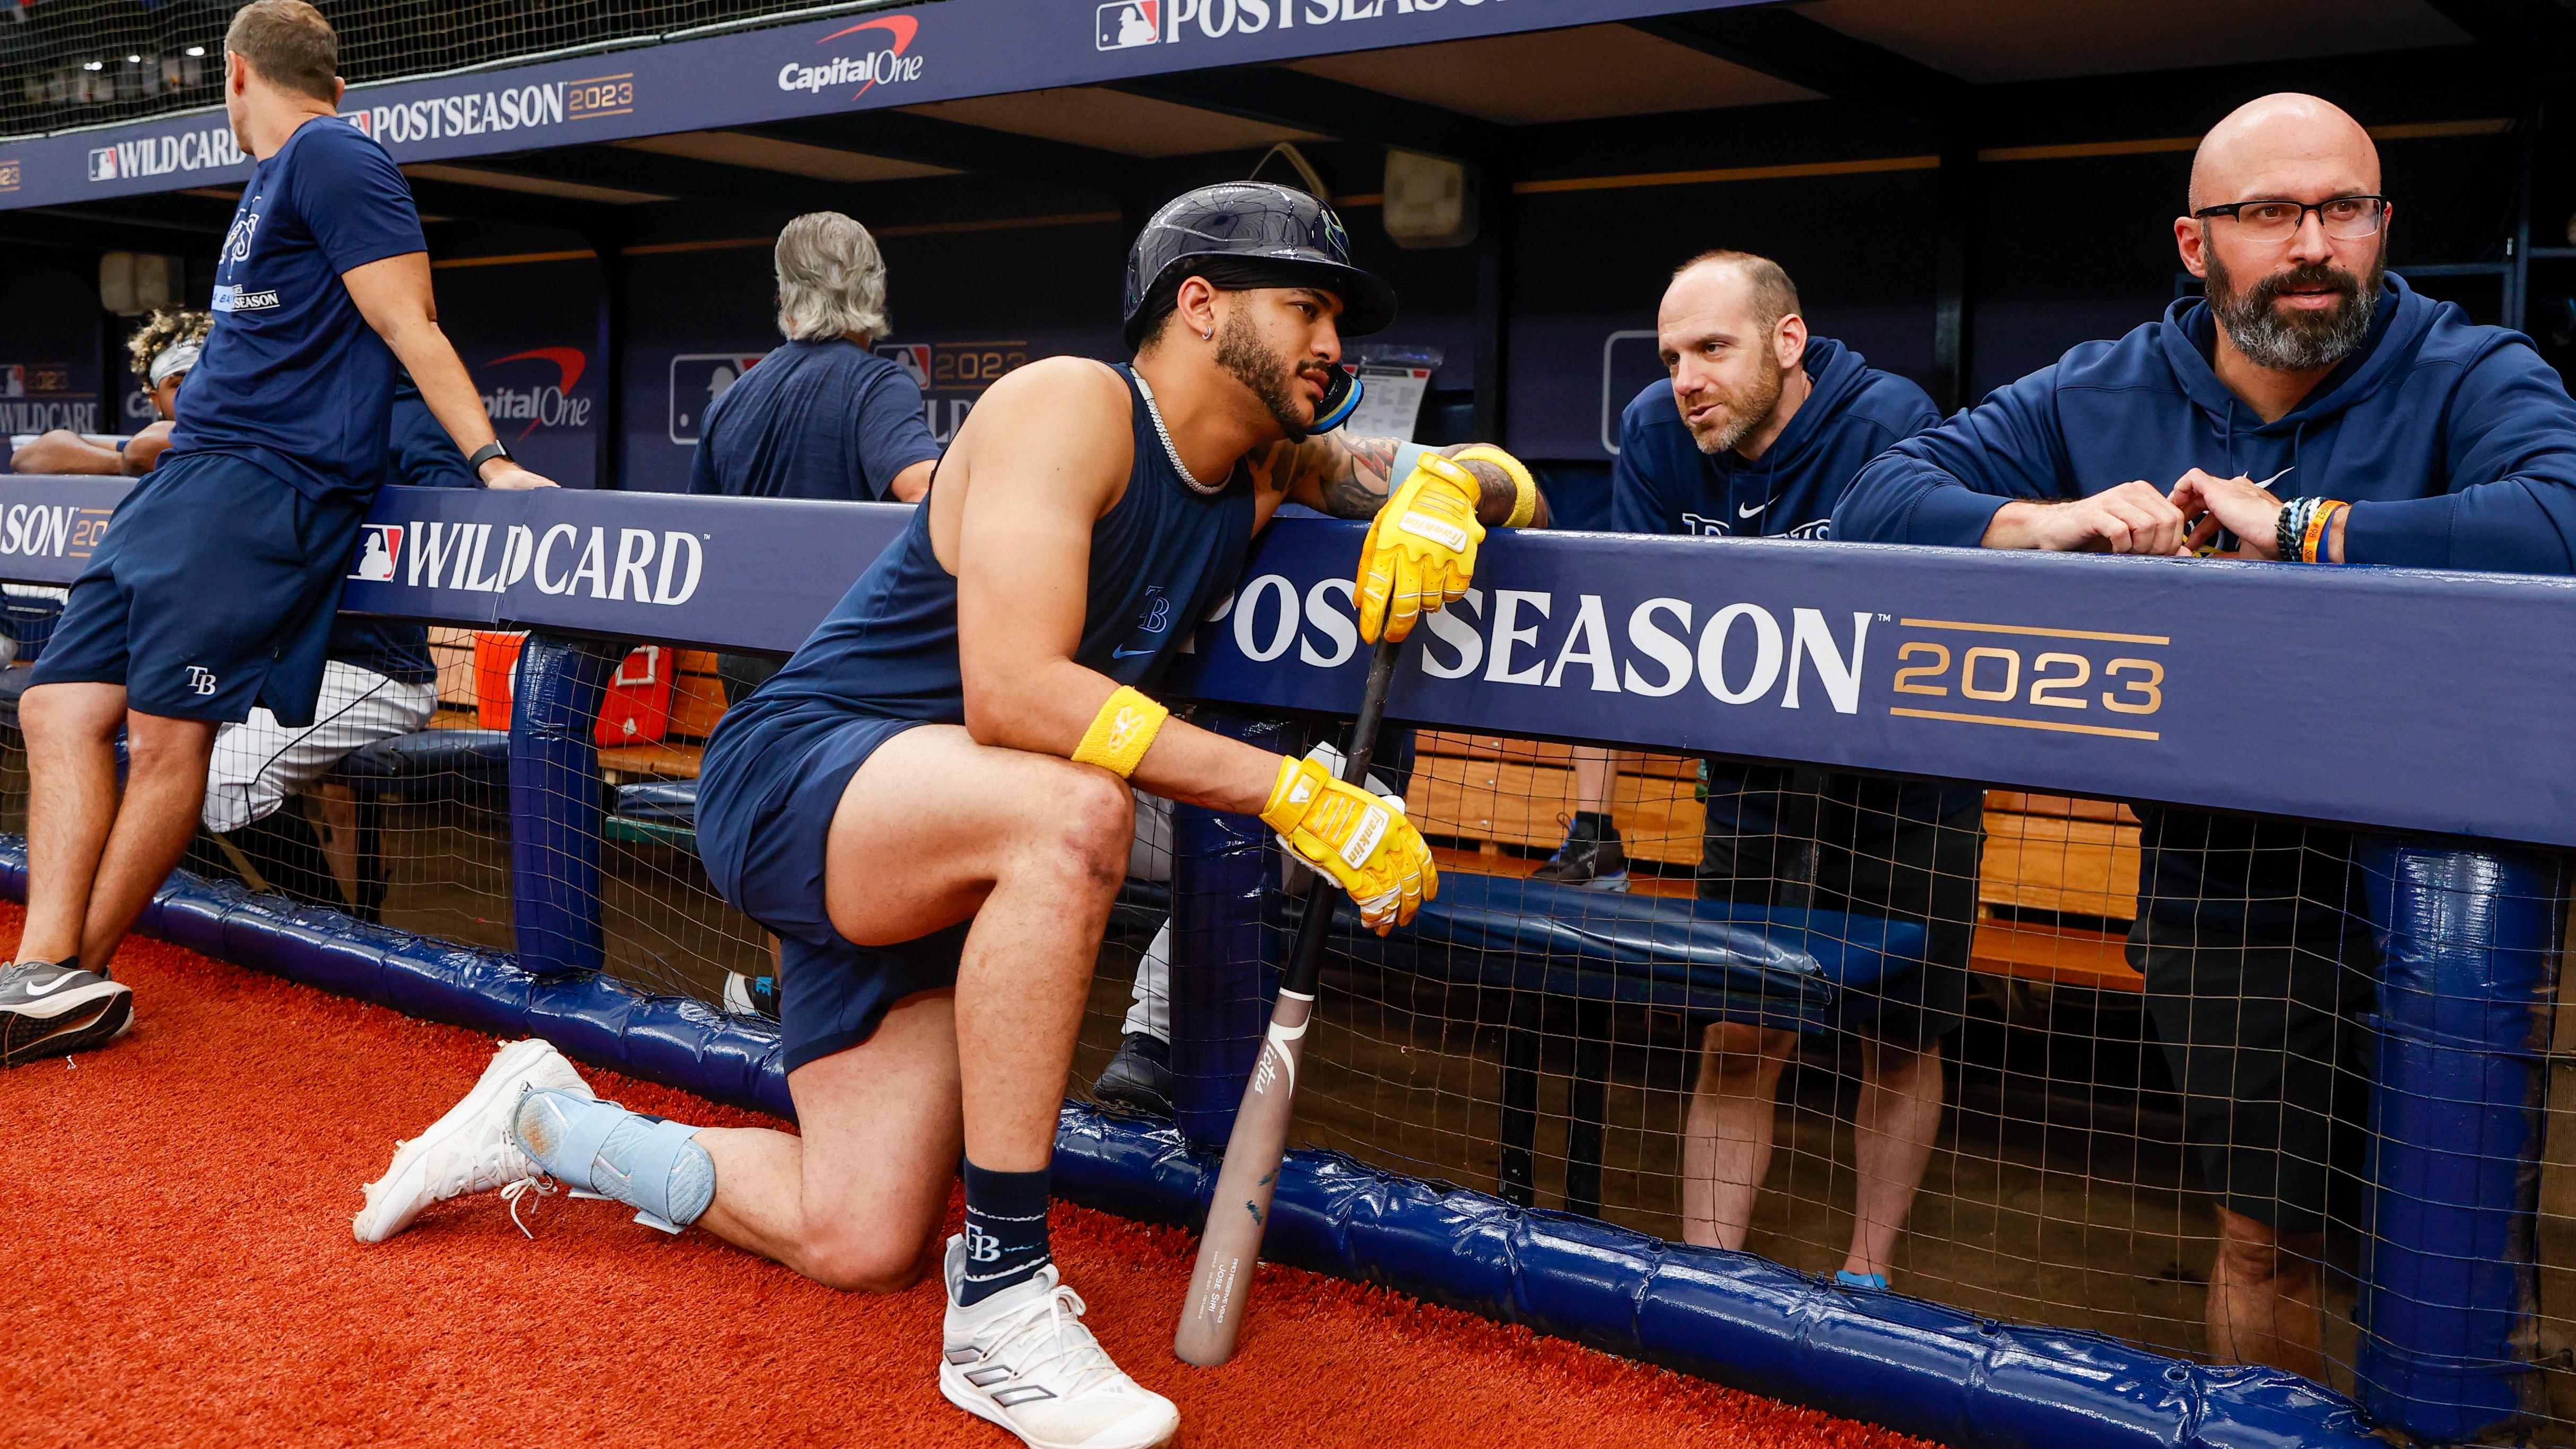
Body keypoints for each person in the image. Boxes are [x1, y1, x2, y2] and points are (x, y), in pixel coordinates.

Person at [352, 181, 1544, 1449]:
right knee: (1073, 815)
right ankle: (1003, 1300)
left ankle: (545, 1115)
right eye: (1304, 305)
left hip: (943, 841)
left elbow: (1482, 478)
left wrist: (1453, 485)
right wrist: (1296, 795)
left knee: (854, 1234)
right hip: (805, 777)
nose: (1330, 342)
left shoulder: (1265, 469)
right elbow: (1015, 688)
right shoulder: (1070, 404)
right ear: (1198, 307)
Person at [1835, 93, 2576, 1377]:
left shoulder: (2469, 366)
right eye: (2269, 214)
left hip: (2450, 879)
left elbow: (2557, 521)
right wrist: (2049, 520)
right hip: (2224, 884)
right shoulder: (2102, 385)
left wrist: (2298, 531)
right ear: (2195, 245)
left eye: (2342, 209)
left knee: (2457, 1255)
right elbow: (1876, 500)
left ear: (2379, 224)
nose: (2312, 243)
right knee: (2257, 1242)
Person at [0, 0, 553, 1070]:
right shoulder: (279, 175)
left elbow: (409, 322)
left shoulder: (337, 154)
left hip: (267, 491)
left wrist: (488, 460)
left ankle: (70, 972)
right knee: (60, 704)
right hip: (192, 480)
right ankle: (45, 969)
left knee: (169, 738)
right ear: (331, 79)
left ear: (236, 73)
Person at [1602, 251, 1975, 1293]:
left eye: (1712, 348)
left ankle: (1866, 1278)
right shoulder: (1654, 433)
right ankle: (1706, 1280)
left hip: (1907, 776)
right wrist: (1597, 813)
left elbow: (1927, 628)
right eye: (1673, 354)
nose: (1685, 378)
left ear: (1785, 341)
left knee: (1895, 1037)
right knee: (1736, 1025)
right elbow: (1632, 619)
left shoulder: (1885, 423)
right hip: (1755, 773)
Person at [184, 373, 483, 910]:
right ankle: (236, 927)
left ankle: (326, 933)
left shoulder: (400, 405)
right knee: (163, 756)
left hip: (374, 668)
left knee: (227, 780)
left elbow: (465, 511)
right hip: (282, 660)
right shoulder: (280, 398)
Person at [690, 211, 943, 707]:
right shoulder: (877, 384)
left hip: (747, 658)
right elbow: (925, 491)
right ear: (876, 292)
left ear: (785, 297)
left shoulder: (731, 401)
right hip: (840, 660)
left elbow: (703, 534)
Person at [8, 308, 208, 477]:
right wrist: (122, 462)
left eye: (206, 383)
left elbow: (148, 449)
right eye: (178, 384)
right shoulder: (143, 445)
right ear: (155, 399)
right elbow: (29, 456)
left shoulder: (236, 435)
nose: (194, 394)